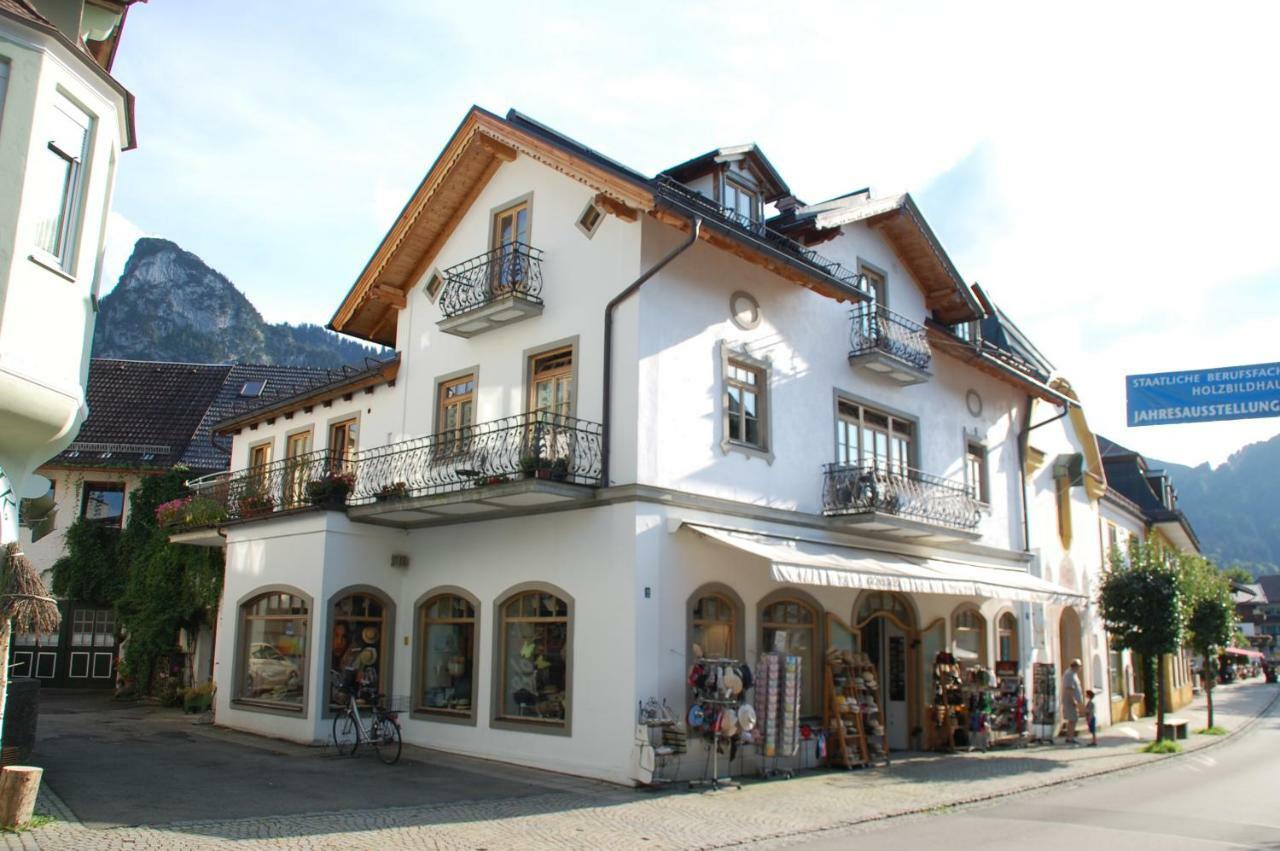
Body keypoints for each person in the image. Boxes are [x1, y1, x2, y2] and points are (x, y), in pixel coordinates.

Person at [1061, 658, 1085, 744]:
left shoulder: (1073, 674)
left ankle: (1070, 737)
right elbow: (1069, 689)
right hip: (1069, 701)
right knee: (1073, 719)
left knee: (1073, 719)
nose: (1080, 668)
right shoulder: (1069, 674)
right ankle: (1069, 738)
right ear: (1075, 666)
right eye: (1080, 666)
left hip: (1072, 701)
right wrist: (1073, 700)